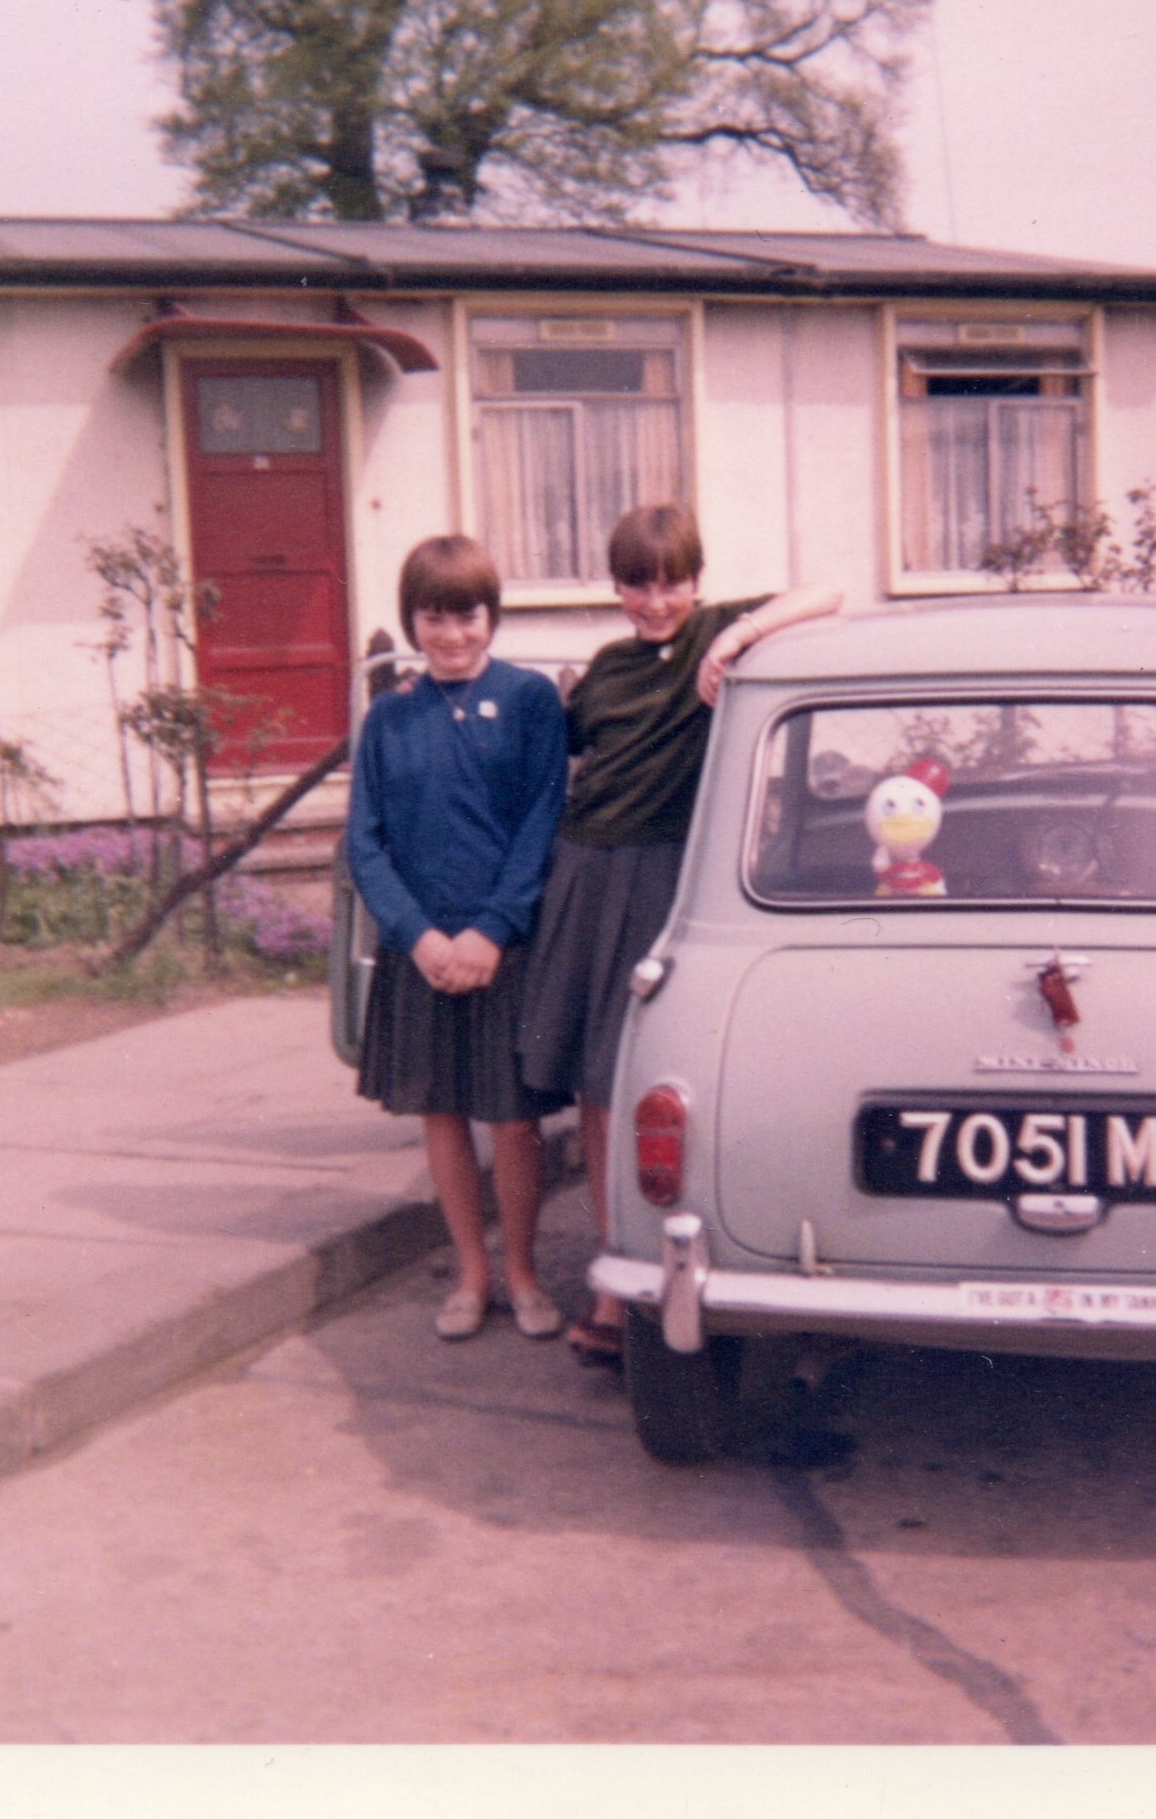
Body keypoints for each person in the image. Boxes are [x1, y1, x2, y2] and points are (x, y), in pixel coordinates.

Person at [521, 504, 842, 1364]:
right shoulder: (607, 667)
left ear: (694, 580)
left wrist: (736, 642)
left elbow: (828, 592)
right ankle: (609, 1268)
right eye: (636, 583)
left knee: (654, 1073)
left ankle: (655, 1258)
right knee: (596, 1081)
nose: (655, 600)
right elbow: (566, 754)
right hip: (586, 874)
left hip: (668, 875)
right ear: (617, 585)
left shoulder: (713, 633)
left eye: (670, 582)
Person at [347, 535, 570, 1343]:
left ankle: (522, 1270)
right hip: (424, 954)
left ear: (491, 617)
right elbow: (363, 844)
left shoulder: (529, 701)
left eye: (466, 616)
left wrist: (490, 931)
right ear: (412, 621)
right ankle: (472, 1273)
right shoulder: (389, 717)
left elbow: (543, 823)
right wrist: (418, 937)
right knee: (441, 1112)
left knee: (512, 1120)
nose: (450, 635)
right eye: (434, 618)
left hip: (501, 950)